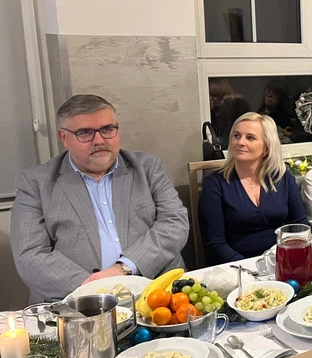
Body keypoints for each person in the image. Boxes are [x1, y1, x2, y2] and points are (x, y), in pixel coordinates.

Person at [11, 94, 189, 304]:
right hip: (76, 303)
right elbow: (30, 254)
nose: (99, 140)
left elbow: (174, 223)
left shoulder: (148, 168)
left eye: (107, 129)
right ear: (63, 137)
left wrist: (124, 268)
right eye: (85, 133)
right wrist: (97, 290)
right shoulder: (35, 183)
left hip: (157, 291)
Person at [197, 113, 309, 265]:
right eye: (236, 135)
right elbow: (215, 245)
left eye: (250, 138)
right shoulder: (214, 184)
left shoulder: (283, 179)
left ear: (266, 149)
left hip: (282, 262)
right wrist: (253, 268)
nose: (240, 142)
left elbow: (300, 228)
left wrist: (287, 261)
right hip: (236, 267)